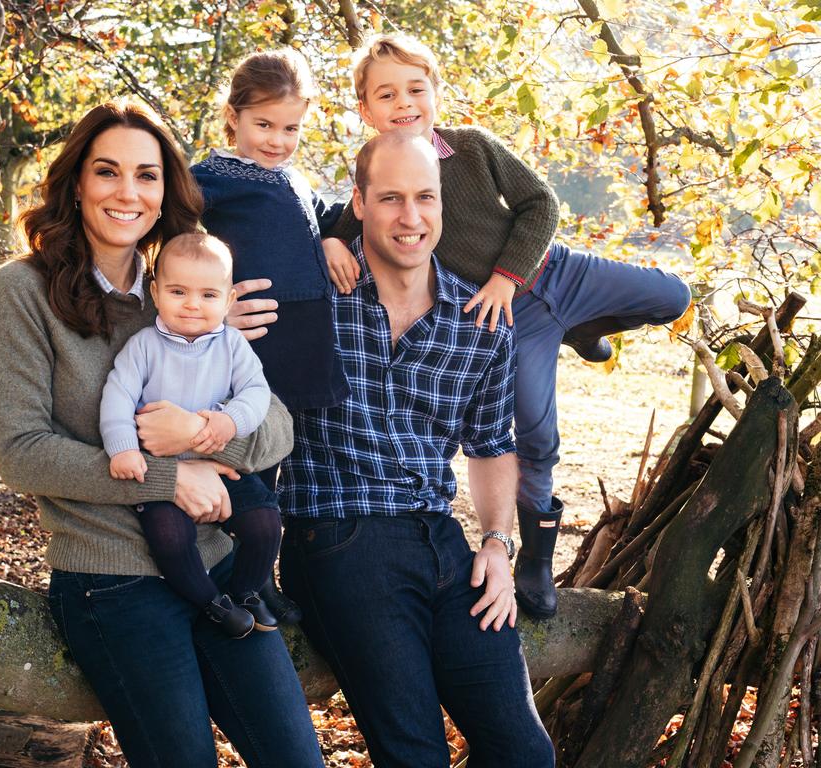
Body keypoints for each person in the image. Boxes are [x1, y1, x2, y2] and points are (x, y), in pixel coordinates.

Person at [0, 100, 324, 768]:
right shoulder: (21, 291)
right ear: (77, 182)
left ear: (168, 191)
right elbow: (22, 454)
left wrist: (202, 433)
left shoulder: (186, 290)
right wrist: (171, 478)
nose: (127, 192)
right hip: (111, 580)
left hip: (220, 566)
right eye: (107, 172)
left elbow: (276, 425)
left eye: (147, 175)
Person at [323, 34, 692, 619]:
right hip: (510, 321)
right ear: (365, 110)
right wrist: (327, 241)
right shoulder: (380, 174)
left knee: (674, 295)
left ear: (437, 92)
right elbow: (350, 219)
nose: (404, 103)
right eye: (386, 94)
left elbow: (540, 204)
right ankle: (537, 563)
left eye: (417, 88)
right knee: (535, 436)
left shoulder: (471, 147)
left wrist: (504, 275)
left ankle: (584, 325)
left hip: (556, 272)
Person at [277, 131, 554, 767]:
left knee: (524, 755)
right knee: (415, 756)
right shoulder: (313, 296)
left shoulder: (478, 320)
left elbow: (489, 446)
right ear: (359, 202)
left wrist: (496, 543)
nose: (411, 217)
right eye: (392, 198)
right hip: (339, 537)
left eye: (425, 198)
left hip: (443, 543)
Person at [192, 48, 350, 624]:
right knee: (249, 463)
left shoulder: (292, 176)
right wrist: (211, 301)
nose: (278, 140)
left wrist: (334, 236)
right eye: (264, 125)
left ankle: (266, 576)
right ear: (233, 116)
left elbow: (322, 213)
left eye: (291, 128)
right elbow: (171, 237)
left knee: (277, 463)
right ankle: (243, 578)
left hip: (303, 341)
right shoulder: (211, 178)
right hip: (257, 341)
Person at [99, 232, 281, 638]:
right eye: (178, 291)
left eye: (208, 295)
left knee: (265, 521)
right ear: (156, 292)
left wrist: (228, 422)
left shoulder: (233, 345)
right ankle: (210, 603)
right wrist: (123, 449)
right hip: (161, 472)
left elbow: (256, 393)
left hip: (217, 465)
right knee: (170, 537)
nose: (193, 305)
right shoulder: (143, 346)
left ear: (229, 300)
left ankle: (246, 591)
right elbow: (117, 397)